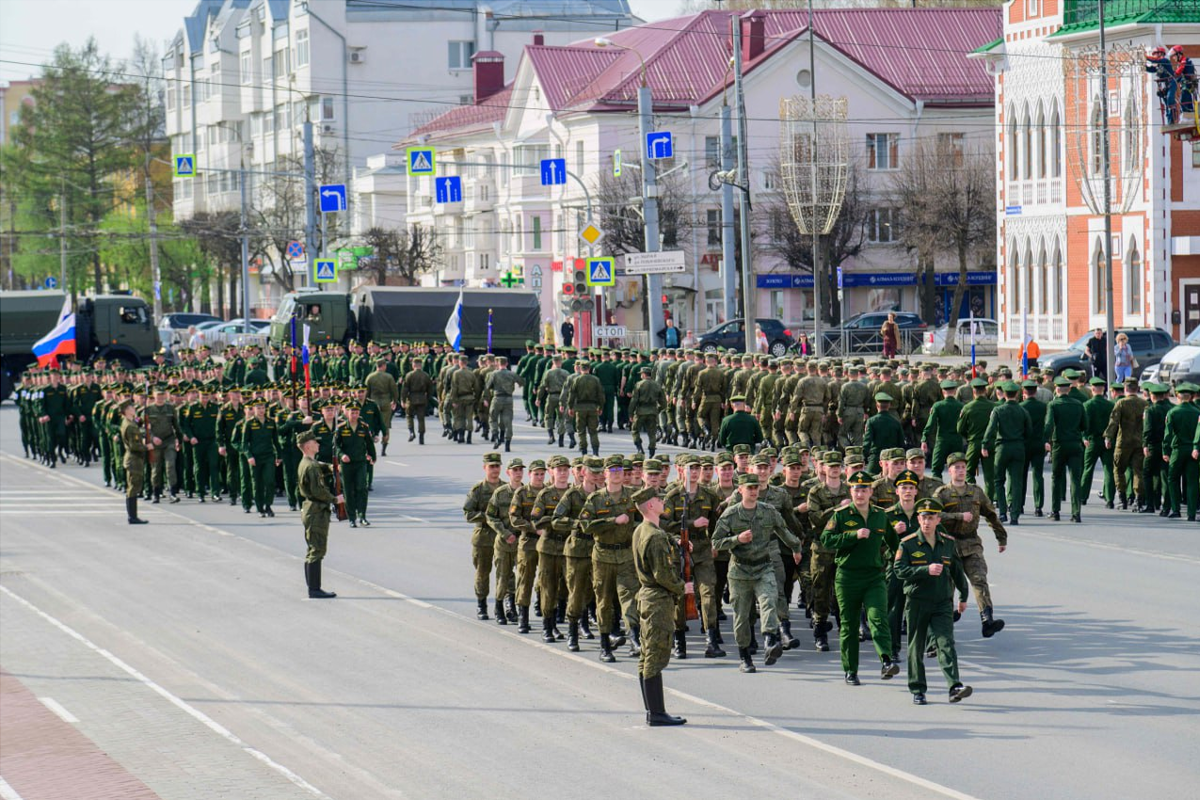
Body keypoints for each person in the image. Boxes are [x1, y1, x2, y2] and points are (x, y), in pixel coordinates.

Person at [713, 473, 804, 674]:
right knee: (742, 616)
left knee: (769, 600)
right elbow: (716, 542)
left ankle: (770, 640)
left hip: (764, 566)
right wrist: (737, 539)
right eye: (749, 488)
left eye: (756, 488)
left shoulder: (768, 511)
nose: (754, 491)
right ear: (740, 490)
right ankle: (745, 656)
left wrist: (796, 547)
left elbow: (784, 531)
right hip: (739, 571)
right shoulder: (731, 514)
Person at [820, 470, 900, 686]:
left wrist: (900, 563)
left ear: (871, 491)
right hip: (848, 578)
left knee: (878, 617)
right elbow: (826, 539)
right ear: (851, 491)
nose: (860, 493)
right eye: (856, 489)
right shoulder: (841, 515)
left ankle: (886, 660)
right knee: (849, 625)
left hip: (874, 576)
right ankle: (850, 670)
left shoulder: (880, 515)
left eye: (864, 489)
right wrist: (852, 535)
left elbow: (895, 544)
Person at [894, 498, 973, 705]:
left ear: (938, 519)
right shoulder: (908, 543)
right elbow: (899, 570)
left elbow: (957, 570)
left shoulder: (947, 542)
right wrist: (924, 570)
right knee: (916, 646)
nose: (926, 522)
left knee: (946, 643)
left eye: (931, 517)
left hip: (942, 602)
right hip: (918, 601)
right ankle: (918, 689)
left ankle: (954, 686)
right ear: (918, 519)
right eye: (923, 517)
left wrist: (963, 596)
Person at [934, 452, 1008, 638]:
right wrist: (957, 516)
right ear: (949, 470)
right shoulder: (942, 494)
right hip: (948, 544)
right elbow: (933, 515)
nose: (960, 471)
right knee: (947, 586)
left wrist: (1001, 537)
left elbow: (990, 513)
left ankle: (987, 620)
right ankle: (944, 624)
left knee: (979, 579)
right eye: (956, 467)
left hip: (971, 542)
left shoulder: (976, 492)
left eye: (963, 467)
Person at [631, 485, 687, 726]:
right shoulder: (654, 536)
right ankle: (656, 713)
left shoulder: (642, 530)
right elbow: (662, 574)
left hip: (647, 596)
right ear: (651, 506)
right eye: (658, 499)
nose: (663, 501)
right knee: (656, 653)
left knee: (647, 654)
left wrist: (675, 543)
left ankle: (653, 711)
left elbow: (661, 544)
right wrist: (682, 587)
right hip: (657, 599)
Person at [296, 430, 343, 599]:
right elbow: (317, 490)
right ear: (308, 446)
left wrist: (332, 467)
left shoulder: (308, 463)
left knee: (313, 549)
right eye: (315, 442)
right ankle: (314, 589)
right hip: (316, 510)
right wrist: (335, 499)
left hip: (312, 509)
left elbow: (321, 467)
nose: (317, 444)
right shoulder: (310, 466)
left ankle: (313, 587)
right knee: (317, 549)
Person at [463, 452, 504, 621]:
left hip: (502, 536)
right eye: (491, 467)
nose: (495, 470)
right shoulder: (478, 490)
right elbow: (468, 513)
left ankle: (504, 605)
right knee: (482, 572)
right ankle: (482, 604)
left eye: (497, 466)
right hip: (484, 536)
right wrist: (489, 517)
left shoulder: (506, 488)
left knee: (506, 573)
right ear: (485, 468)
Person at [119, 400, 151, 524]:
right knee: (133, 487)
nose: (133, 408)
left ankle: (132, 516)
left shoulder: (128, 422)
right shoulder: (130, 426)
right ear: (126, 410)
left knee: (132, 487)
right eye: (131, 407)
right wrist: (147, 447)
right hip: (133, 459)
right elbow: (134, 446)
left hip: (132, 458)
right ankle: (132, 517)